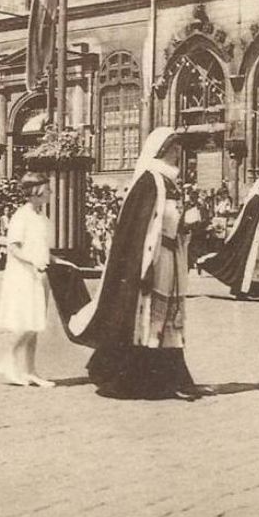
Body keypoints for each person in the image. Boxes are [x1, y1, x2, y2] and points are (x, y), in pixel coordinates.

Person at [63, 127, 207, 400]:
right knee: (148, 318)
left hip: (171, 257)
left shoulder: (170, 182)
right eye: (174, 148)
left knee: (168, 318)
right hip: (153, 260)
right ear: (162, 151)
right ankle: (141, 378)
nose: (178, 153)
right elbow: (139, 229)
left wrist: (186, 226)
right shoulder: (150, 181)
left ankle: (172, 377)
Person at [0, 172, 56, 388]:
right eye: (47, 190)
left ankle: (30, 371)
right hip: (24, 275)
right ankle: (8, 359)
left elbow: (41, 247)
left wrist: (58, 261)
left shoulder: (41, 217)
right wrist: (33, 262)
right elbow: (14, 247)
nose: (50, 193)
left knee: (36, 323)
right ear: (36, 192)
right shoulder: (22, 215)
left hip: (40, 274)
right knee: (28, 322)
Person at [198, 175, 259, 300]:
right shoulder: (258, 198)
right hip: (256, 239)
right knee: (255, 264)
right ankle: (256, 291)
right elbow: (254, 219)